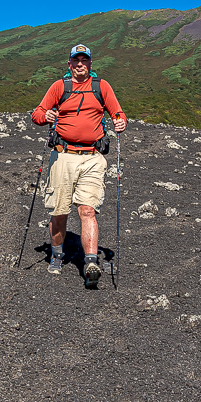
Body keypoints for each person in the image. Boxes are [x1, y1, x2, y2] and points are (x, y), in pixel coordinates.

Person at [31, 44, 127, 286]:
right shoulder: (59, 87)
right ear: (70, 64)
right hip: (63, 156)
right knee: (59, 210)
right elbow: (37, 114)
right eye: (76, 60)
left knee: (87, 210)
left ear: (91, 64)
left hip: (93, 157)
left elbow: (118, 112)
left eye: (85, 60)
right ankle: (57, 254)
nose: (80, 64)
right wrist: (46, 117)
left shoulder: (101, 86)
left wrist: (120, 121)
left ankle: (91, 261)